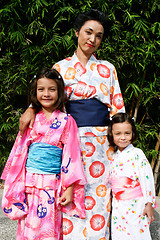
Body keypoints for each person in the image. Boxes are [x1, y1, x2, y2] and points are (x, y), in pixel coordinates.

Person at [19, 9, 125, 239]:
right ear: (76, 33)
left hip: (100, 144)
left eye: (99, 36)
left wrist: (121, 145)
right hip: (68, 143)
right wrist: (30, 108)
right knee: (68, 197)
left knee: (98, 196)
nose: (93, 39)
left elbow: (118, 109)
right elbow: (46, 97)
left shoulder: (108, 69)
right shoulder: (60, 68)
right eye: (88, 32)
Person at [1, 68, 87, 240]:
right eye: (41, 89)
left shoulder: (66, 121)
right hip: (30, 182)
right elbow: (20, 150)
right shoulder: (31, 118)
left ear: (60, 92)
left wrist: (69, 188)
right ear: (35, 92)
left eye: (52, 89)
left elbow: (71, 156)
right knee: (28, 228)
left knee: (48, 229)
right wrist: (16, 181)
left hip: (52, 185)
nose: (46, 94)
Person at [107, 112, 156, 240]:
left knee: (137, 233)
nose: (122, 137)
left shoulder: (137, 154)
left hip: (136, 205)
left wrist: (149, 204)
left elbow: (147, 179)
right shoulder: (113, 155)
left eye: (127, 133)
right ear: (111, 134)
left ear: (133, 133)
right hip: (118, 206)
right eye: (118, 134)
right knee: (119, 235)